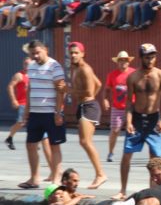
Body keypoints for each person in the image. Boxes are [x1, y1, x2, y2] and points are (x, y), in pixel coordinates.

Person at [116, 44, 161, 200]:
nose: (151, 60)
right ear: (141, 57)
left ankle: (152, 192)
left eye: (153, 57)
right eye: (147, 57)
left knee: (155, 159)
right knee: (127, 154)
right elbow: (129, 102)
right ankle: (122, 190)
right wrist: (128, 121)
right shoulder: (133, 77)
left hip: (154, 119)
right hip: (137, 119)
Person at [19, 40, 66, 189]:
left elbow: (60, 91)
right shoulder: (31, 67)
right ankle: (34, 178)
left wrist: (58, 113)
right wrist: (26, 111)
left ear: (46, 49)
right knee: (30, 145)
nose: (35, 56)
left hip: (51, 113)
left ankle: (56, 180)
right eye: (33, 54)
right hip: (35, 113)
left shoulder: (55, 66)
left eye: (38, 52)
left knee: (54, 146)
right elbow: (30, 89)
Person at [68, 42, 107, 189]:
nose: (73, 55)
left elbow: (90, 92)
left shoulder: (85, 69)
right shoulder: (76, 69)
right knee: (84, 141)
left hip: (88, 107)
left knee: (86, 142)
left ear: (83, 53)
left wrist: (69, 90)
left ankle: (100, 174)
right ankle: (99, 174)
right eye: (71, 53)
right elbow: (98, 83)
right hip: (85, 106)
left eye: (76, 53)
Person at [103, 51, 135, 163]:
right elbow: (106, 89)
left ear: (128, 62)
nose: (123, 63)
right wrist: (105, 99)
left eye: (125, 60)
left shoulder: (134, 73)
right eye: (121, 60)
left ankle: (129, 153)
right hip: (118, 107)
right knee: (115, 130)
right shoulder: (112, 75)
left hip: (132, 107)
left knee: (132, 130)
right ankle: (110, 152)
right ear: (117, 62)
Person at [5, 56, 30, 150]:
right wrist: (13, 100)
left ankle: (35, 142)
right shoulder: (19, 75)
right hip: (23, 103)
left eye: (29, 64)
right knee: (21, 122)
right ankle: (9, 138)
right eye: (25, 63)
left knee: (35, 123)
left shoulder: (34, 75)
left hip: (33, 103)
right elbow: (10, 87)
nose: (27, 65)